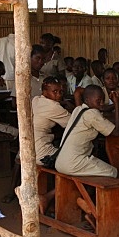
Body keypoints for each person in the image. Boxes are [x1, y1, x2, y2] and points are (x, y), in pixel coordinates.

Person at [56, 84, 119, 179]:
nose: (102, 103)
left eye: (103, 100)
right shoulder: (93, 114)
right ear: (87, 100)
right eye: (98, 101)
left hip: (60, 162)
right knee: (116, 173)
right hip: (74, 163)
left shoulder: (78, 109)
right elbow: (117, 132)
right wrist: (116, 104)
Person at [33, 77, 71, 213]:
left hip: (28, 150)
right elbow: (74, 123)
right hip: (42, 154)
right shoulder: (54, 106)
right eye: (54, 91)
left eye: (61, 91)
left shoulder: (35, 100)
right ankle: (49, 197)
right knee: (75, 164)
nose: (59, 95)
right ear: (44, 92)